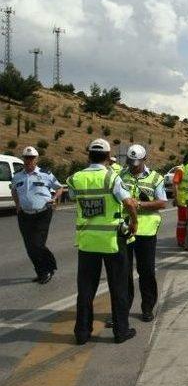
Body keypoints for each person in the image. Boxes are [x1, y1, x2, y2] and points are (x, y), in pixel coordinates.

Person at [67, 138, 138, 345]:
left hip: (87, 241)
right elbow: (129, 203)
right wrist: (134, 222)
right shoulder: (111, 178)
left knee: (86, 288)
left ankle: (81, 333)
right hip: (111, 240)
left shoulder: (75, 178)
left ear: (88, 155)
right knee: (119, 287)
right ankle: (120, 332)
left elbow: (73, 196)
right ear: (108, 157)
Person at [120, 144, 166, 322]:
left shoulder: (156, 178)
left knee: (146, 271)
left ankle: (147, 307)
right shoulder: (121, 175)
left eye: (136, 163)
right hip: (124, 229)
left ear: (144, 160)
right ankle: (122, 309)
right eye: (131, 162)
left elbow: (162, 202)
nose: (133, 166)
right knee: (123, 273)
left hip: (146, 232)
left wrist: (139, 204)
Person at [11, 146, 63, 284]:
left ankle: (48, 267)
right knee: (29, 247)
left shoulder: (46, 174)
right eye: (26, 158)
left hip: (42, 213)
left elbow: (59, 188)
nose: (28, 161)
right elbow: (14, 191)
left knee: (38, 244)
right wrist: (17, 206)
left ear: (36, 159)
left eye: (31, 158)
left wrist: (54, 199)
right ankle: (41, 272)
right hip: (24, 215)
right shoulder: (17, 176)